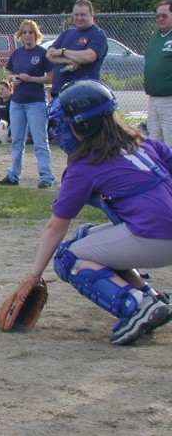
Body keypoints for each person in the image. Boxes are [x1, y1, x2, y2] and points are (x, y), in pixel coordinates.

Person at [16, 79, 172, 345]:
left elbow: (55, 228)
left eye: (65, 122)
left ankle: (135, 306)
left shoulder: (86, 166)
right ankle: (150, 298)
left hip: (157, 237)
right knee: (84, 237)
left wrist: (34, 275)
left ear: (83, 125)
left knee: (68, 257)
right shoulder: (145, 144)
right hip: (157, 231)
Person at [0, 20, 55, 189]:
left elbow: (51, 77)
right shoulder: (17, 53)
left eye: (31, 32)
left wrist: (32, 79)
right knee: (17, 140)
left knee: (39, 140)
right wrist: (12, 78)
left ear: (36, 35)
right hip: (17, 102)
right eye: (25, 33)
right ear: (20, 36)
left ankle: (46, 176)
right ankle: (13, 175)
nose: (28, 35)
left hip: (35, 102)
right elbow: (9, 72)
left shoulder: (42, 53)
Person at [46, 0, 108, 98]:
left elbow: (88, 57)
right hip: (59, 92)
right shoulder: (67, 33)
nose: (79, 18)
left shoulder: (98, 34)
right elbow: (49, 54)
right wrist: (66, 61)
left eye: (82, 15)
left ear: (92, 15)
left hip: (83, 95)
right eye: (76, 15)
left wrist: (63, 51)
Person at [143, 0, 172, 145]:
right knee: (154, 141)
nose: (160, 19)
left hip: (170, 98)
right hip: (153, 98)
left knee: (170, 141)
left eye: (164, 15)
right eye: (158, 16)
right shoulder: (155, 37)